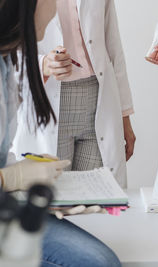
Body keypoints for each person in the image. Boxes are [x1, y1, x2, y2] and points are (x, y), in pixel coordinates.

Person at [0, 0, 121, 266]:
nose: (56, 6)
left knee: (102, 260)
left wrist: (37, 184)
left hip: (0, 208)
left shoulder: (0, 61)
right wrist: (10, 177)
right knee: (98, 264)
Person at [11, 0, 136, 188]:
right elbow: (7, 47)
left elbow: (113, 46)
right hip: (51, 103)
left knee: (97, 198)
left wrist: (124, 115)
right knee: (55, 198)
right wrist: (43, 64)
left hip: (98, 102)